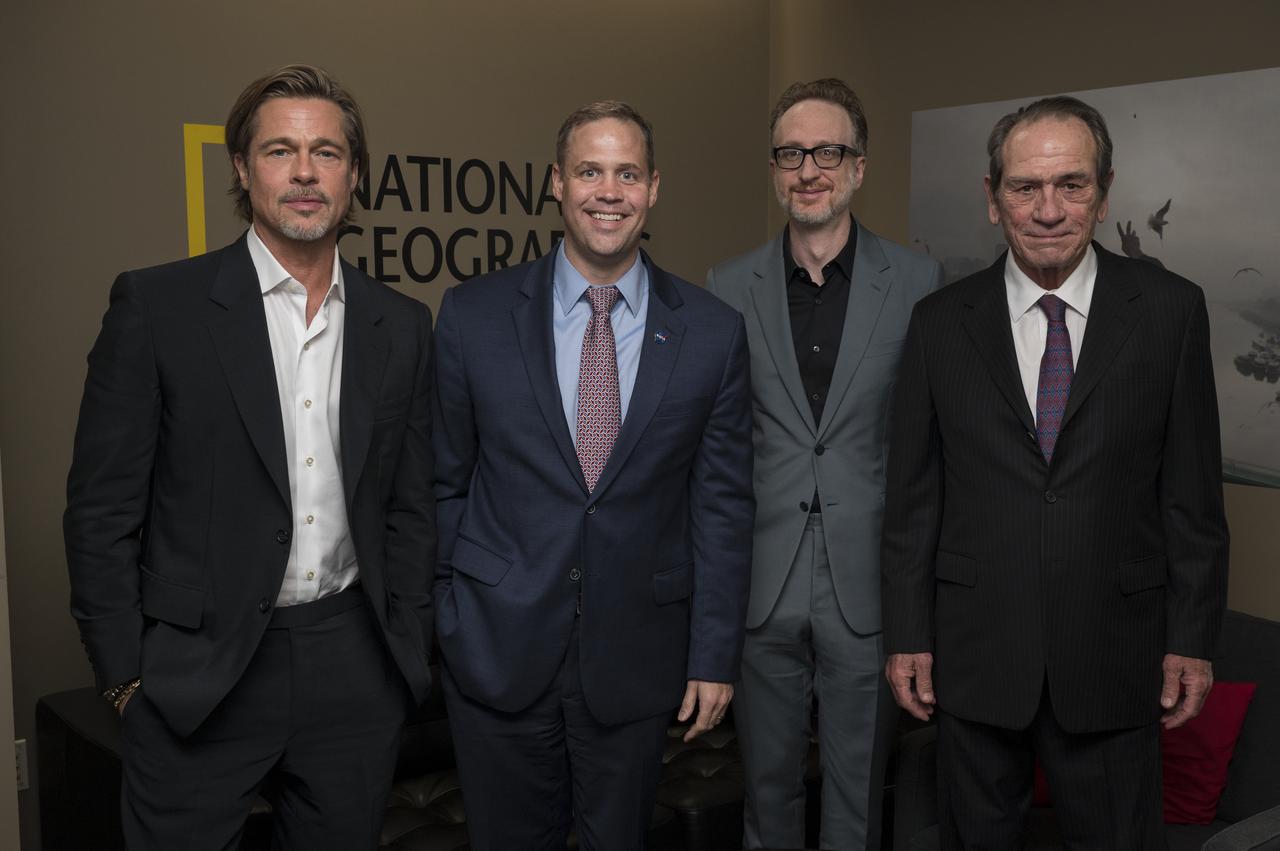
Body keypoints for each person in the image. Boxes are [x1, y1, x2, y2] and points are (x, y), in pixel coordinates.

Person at [64, 64, 436, 851]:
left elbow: (410, 505)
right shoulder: (158, 307)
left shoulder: (399, 324)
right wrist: (124, 679)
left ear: (355, 174)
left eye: (327, 152)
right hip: (199, 674)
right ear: (242, 168)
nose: (305, 171)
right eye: (280, 150)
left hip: (353, 663)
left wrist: (405, 644)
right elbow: (101, 510)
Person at [881, 95, 1229, 849]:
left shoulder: (1171, 312)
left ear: (1104, 194)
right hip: (974, 659)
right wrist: (907, 631)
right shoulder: (939, 322)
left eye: (1071, 185)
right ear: (991, 196)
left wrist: (1192, 636)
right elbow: (914, 497)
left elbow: (1193, 499)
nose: (1047, 210)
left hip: (1114, 655)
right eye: (1024, 188)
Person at [432, 100, 753, 850]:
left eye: (627, 173)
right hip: (495, 648)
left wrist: (712, 653)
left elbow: (723, 506)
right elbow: (442, 480)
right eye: (589, 171)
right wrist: (447, 611)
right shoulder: (472, 315)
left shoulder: (712, 333)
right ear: (556, 183)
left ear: (653, 188)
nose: (609, 191)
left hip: (638, 659)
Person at [706, 77, 942, 850]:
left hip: (867, 583)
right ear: (775, 169)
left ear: (859, 166)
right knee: (765, 796)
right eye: (792, 153)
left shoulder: (915, 284)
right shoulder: (726, 286)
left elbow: (926, 449)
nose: (810, 168)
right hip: (762, 584)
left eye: (828, 151)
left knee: (855, 797)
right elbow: (719, 444)